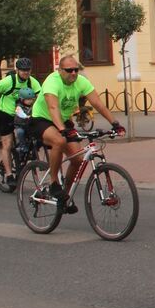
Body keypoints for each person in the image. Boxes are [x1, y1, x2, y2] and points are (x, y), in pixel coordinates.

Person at [28, 56, 125, 207]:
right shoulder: (52, 81)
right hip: (42, 119)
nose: (73, 73)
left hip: (63, 120)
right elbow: (53, 108)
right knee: (59, 141)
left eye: (76, 70)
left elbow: (97, 103)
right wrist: (62, 130)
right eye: (69, 70)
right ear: (60, 70)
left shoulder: (80, 81)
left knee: (78, 159)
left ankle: (64, 197)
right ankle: (54, 184)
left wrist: (115, 123)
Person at [0, 57, 42, 187]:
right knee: (7, 144)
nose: (26, 72)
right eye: (23, 70)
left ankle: (24, 151)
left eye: (28, 70)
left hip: (24, 114)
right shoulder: (9, 81)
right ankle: (9, 175)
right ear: (17, 70)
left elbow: (41, 97)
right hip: (6, 113)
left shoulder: (32, 82)